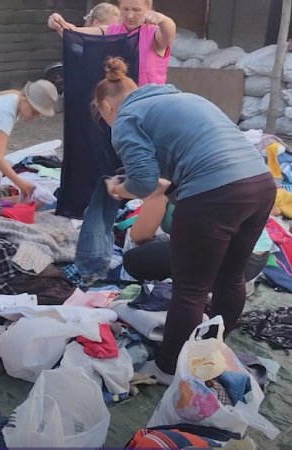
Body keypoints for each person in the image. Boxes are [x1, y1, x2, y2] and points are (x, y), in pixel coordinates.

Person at [93, 57, 276, 384]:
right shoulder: (184, 98)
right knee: (230, 277)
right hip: (260, 185)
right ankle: (211, 349)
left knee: (191, 289)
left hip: (215, 193)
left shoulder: (126, 118)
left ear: (107, 106)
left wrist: (118, 189)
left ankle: (167, 367)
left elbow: (144, 183)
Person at [121, 183, 272, 291]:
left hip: (229, 260)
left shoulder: (164, 183)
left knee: (134, 260)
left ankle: (201, 289)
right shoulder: (207, 175)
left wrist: (153, 196)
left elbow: (139, 236)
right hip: (256, 257)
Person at [48, 0, 176, 85]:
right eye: (125, 9)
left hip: (149, 105)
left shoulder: (154, 34)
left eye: (136, 10)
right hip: (118, 104)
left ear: (148, 8)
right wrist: (58, 22)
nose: (130, 15)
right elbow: (74, 33)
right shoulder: (111, 30)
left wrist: (164, 20)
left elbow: (169, 35)